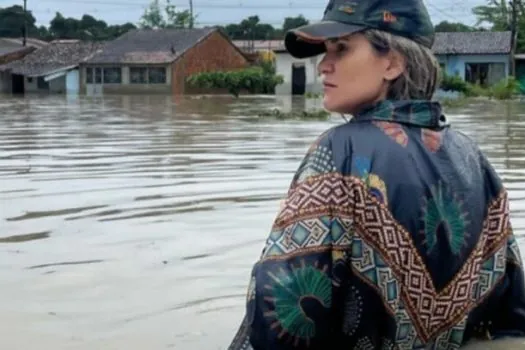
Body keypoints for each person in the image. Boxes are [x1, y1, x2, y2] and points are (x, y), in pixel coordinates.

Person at [228, 0, 525, 348]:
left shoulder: (338, 154)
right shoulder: (474, 158)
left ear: (392, 63)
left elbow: (280, 312)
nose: (323, 65)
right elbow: (511, 309)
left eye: (341, 49)